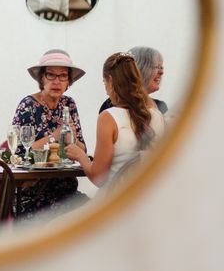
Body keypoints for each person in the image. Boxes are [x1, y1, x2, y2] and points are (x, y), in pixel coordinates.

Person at [66, 51, 166, 186]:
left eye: (104, 82)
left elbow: (99, 178)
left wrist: (80, 156)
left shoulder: (108, 118)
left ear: (111, 81)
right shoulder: (157, 115)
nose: (106, 90)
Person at [10, 49, 87, 216]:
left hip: (67, 191)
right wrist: (56, 135)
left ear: (69, 81)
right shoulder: (28, 105)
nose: (57, 81)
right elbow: (21, 154)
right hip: (34, 193)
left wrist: (72, 140)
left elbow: (82, 151)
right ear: (41, 78)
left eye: (63, 76)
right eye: (51, 75)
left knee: (99, 216)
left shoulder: (69, 104)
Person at [98, 46, 168, 114]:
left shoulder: (161, 107)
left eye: (161, 67)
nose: (161, 72)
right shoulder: (112, 105)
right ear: (137, 68)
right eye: (156, 67)